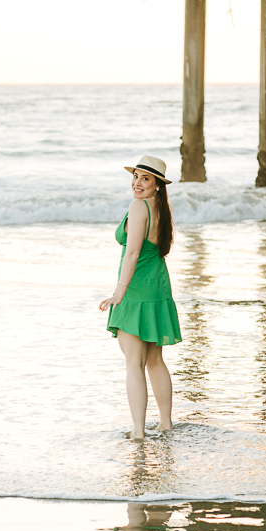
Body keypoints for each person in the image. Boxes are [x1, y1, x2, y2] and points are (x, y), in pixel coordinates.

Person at [100, 156, 182, 440]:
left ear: (157, 185)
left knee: (134, 362)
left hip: (136, 291)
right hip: (158, 288)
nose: (137, 182)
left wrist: (119, 292)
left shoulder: (138, 207)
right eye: (135, 176)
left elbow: (133, 252)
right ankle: (166, 424)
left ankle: (138, 430)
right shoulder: (161, 208)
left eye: (145, 178)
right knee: (155, 360)